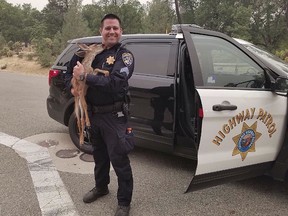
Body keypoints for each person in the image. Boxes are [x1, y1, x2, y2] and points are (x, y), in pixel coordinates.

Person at [65, 13, 135, 216]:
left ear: (121, 31)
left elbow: (115, 83)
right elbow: (71, 70)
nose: (111, 31)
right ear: (101, 31)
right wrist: (74, 81)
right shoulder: (92, 53)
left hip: (114, 116)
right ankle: (101, 187)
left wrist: (85, 76)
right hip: (93, 116)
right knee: (100, 156)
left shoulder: (124, 56)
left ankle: (124, 202)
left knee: (119, 159)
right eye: (108, 28)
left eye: (115, 28)